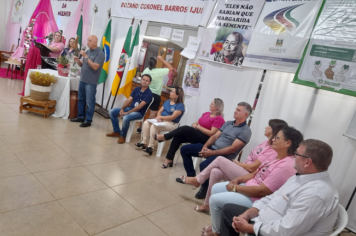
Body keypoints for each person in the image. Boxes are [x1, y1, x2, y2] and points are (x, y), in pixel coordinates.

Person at [220, 139, 338, 236]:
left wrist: (250, 228)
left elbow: (286, 230)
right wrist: (247, 215)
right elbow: (270, 198)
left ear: (307, 162)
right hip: (266, 222)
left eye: (296, 154)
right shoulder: (300, 177)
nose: (293, 157)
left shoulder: (315, 194)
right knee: (229, 210)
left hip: (276, 232)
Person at [200, 126, 303, 236]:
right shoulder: (276, 156)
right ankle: (220, 227)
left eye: (277, 138)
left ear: (288, 143)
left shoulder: (286, 165)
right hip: (249, 187)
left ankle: (217, 232)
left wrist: (235, 187)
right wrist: (237, 180)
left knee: (215, 200)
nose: (273, 139)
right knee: (216, 188)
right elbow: (255, 173)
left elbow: (261, 191)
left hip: (255, 198)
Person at [181, 119, 288, 213]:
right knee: (214, 171)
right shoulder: (265, 142)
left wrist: (238, 163)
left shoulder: (273, 150)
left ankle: (197, 179)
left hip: (248, 174)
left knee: (219, 159)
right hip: (243, 168)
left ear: (274, 130)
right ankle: (207, 204)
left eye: (269, 125)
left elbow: (252, 168)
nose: (266, 127)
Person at [176, 102, 252, 200]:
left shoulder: (246, 131)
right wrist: (205, 146)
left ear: (245, 114)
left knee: (204, 165)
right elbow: (215, 136)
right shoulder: (228, 123)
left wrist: (212, 153)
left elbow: (232, 148)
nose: (235, 111)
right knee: (184, 149)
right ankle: (192, 176)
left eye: (238, 110)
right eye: (236, 109)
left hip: (224, 156)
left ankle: (204, 187)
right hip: (212, 148)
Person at [155, 98, 225, 168]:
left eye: (212, 104)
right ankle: (169, 159)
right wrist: (195, 125)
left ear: (217, 107)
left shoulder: (219, 119)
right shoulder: (206, 114)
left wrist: (199, 127)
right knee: (178, 137)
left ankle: (165, 137)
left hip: (206, 139)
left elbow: (211, 133)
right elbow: (194, 123)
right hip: (196, 134)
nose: (210, 105)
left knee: (185, 128)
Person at [135, 87, 185, 155]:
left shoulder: (180, 106)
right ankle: (144, 142)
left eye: (172, 92)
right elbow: (159, 111)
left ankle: (150, 147)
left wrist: (161, 117)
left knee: (154, 126)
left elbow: (172, 117)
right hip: (161, 120)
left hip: (171, 124)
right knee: (146, 122)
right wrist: (159, 117)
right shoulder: (167, 101)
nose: (170, 93)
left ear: (177, 95)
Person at [106, 74, 153, 143]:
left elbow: (139, 107)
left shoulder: (149, 94)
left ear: (149, 83)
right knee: (111, 111)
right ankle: (116, 131)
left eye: (147, 81)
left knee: (126, 117)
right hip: (130, 108)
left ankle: (123, 136)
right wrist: (122, 109)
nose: (144, 82)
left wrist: (127, 113)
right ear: (141, 80)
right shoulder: (136, 89)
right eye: (143, 80)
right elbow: (128, 100)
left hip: (139, 113)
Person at [70, 35, 105, 127]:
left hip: (91, 82)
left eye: (90, 40)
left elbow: (95, 66)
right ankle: (80, 116)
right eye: (87, 40)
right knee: (81, 99)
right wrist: (78, 61)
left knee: (90, 102)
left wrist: (85, 56)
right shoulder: (88, 51)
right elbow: (84, 65)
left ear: (95, 42)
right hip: (82, 80)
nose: (88, 42)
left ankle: (88, 120)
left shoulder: (100, 54)